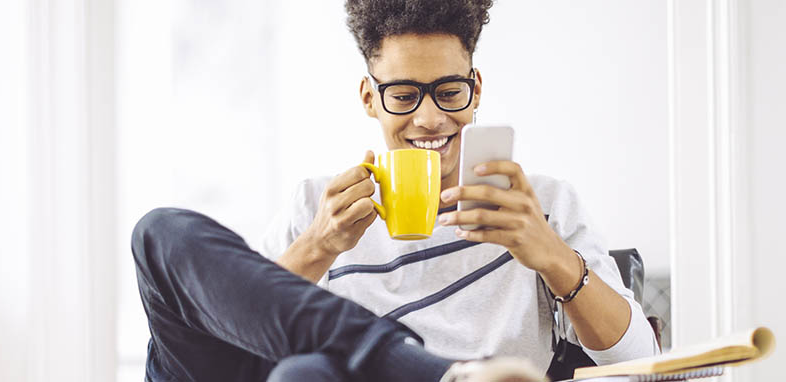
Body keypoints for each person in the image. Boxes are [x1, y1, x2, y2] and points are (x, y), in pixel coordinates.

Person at [131, 1, 659, 381]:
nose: (430, 119)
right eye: (403, 95)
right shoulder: (319, 207)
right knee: (160, 232)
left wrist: (551, 256)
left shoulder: (541, 205)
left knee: (305, 374)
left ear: (475, 91)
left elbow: (641, 362)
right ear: (369, 97)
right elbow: (228, 332)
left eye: (449, 92)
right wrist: (319, 245)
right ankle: (444, 375)